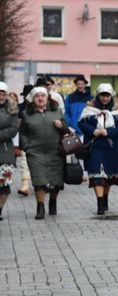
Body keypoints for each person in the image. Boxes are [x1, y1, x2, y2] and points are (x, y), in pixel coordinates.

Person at [19, 86, 69, 220]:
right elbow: (23, 133)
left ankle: (53, 202)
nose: (40, 98)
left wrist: (61, 126)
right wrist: (26, 147)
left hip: (55, 152)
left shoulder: (56, 111)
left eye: (43, 96)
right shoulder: (26, 114)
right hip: (35, 152)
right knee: (39, 181)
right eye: (37, 96)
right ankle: (40, 207)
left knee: (55, 181)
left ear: (48, 98)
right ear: (33, 99)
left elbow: (65, 130)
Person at [78, 84, 118, 215]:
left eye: (107, 95)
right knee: (97, 174)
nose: (105, 98)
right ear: (98, 95)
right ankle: (100, 204)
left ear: (111, 96)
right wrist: (93, 130)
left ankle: (105, 198)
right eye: (102, 95)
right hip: (94, 146)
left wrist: (108, 132)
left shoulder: (117, 109)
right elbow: (81, 123)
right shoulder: (90, 107)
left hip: (111, 147)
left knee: (108, 176)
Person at [0, 82, 19, 221]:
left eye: (3, 94)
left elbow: (13, 129)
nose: (1, 97)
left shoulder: (11, 109)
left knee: (4, 184)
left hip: (5, 151)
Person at [15, 85, 33, 196]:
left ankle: (40, 184)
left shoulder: (40, 106)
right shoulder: (19, 108)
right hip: (24, 137)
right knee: (24, 163)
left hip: (38, 138)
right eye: (27, 95)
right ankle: (25, 185)